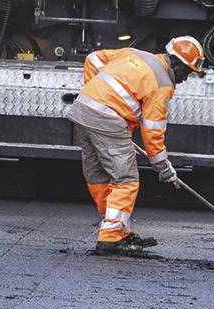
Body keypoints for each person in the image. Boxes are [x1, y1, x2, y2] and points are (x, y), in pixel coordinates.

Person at [67, 36, 205, 256]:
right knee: (126, 180)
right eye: (186, 72)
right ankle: (111, 238)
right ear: (176, 63)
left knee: (98, 176)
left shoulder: (136, 54)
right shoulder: (163, 85)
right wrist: (163, 166)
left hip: (83, 110)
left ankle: (116, 228)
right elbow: (152, 131)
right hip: (108, 120)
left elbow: (93, 59)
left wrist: (93, 91)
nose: (185, 79)